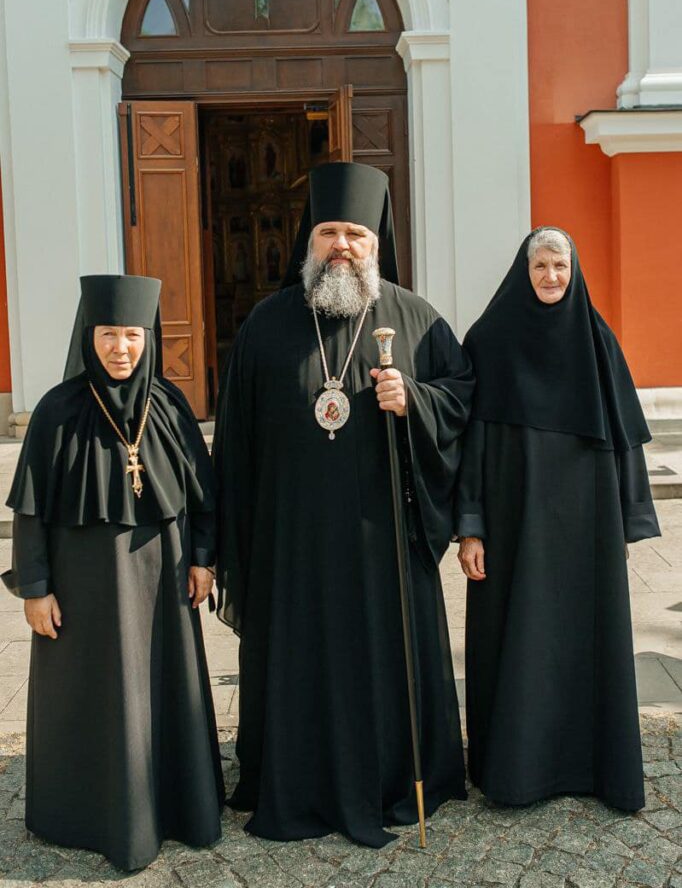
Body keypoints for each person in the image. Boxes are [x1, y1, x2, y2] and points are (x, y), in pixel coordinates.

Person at [213, 161, 475, 846]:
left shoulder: (415, 319)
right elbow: (234, 439)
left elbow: (462, 400)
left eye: (356, 234)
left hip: (384, 538)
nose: (342, 246)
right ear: (309, 240)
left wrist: (414, 401)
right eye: (329, 231)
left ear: (376, 244)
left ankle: (394, 777)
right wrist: (230, 538)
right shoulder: (267, 324)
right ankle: (297, 780)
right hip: (291, 540)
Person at [2, 275, 225, 870]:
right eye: (107, 334)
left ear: (148, 338)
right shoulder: (56, 410)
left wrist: (203, 559)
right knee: (92, 694)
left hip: (164, 587)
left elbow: (203, 496)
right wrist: (34, 588)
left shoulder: (171, 407)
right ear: (88, 335)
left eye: (131, 335)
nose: (120, 348)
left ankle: (174, 805)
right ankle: (87, 813)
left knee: (164, 687)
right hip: (84, 593)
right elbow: (29, 510)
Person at [454, 227, 660, 812]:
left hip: (585, 528)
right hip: (512, 524)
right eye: (540, 266)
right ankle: (517, 772)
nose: (551, 276)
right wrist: (471, 525)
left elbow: (624, 440)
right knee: (517, 641)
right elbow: (471, 443)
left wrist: (626, 519)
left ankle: (592, 767)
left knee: (584, 643)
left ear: (574, 271)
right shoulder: (489, 340)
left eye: (560, 266)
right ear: (524, 271)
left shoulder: (597, 342)